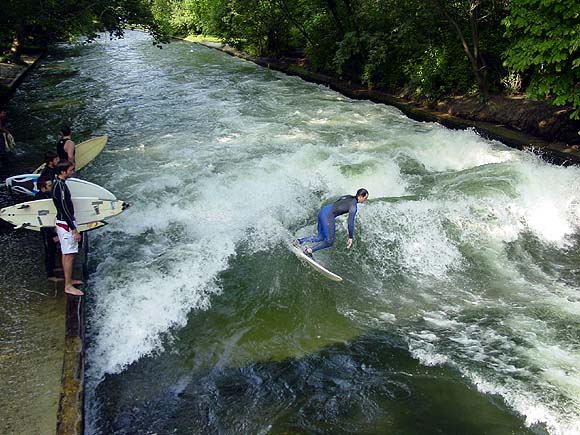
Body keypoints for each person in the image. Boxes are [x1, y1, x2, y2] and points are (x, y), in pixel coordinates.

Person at [295, 188, 369, 258]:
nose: (365, 200)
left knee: (320, 237)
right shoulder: (353, 207)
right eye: (365, 198)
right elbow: (350, 222)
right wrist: (350, 237)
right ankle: (309, 251)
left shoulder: (347, 197)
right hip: (328, 216)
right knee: (330, 241)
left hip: (323, 211)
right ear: (360, 196)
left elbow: (338, 202)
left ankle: (298, 241)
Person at [52, 159, 83, 296]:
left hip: (62, 223)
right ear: (63, 172)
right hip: (66, 224)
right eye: (70, 170)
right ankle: (68, 286)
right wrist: (74, 230)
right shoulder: (60, 187)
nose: (72, 172)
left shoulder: (58, 183)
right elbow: (64, 208)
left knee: (66, 253)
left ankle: (68, 280)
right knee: (69, 255)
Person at [35, 177, 62, 282]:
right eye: (49, 186)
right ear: (43, 188)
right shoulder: (39, 198)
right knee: (49, 250)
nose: (51, 187)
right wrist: (53, 234)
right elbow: (44, 217)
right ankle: (50, 275)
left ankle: (54, 267)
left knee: (53, 249)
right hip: (46, 228)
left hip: (51, 225)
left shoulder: (48, 194)